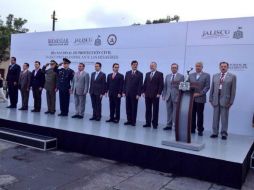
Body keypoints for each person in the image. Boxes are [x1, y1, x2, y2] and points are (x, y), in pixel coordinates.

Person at [209, 61, 236, 140]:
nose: (223, 68)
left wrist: (231, 102)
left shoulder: (232, 76)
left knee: (224, 118)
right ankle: (215, 133)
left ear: (227, 67)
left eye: (225, 66)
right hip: (215, 99)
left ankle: (224, 133)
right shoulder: (215, 76)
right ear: (219, 67)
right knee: (215, 118)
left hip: (225, 100)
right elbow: (212, 88)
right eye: (222, 66)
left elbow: (233, 90)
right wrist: (210, 99)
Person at [189, 62, 210, 136]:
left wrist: (200, 93)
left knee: (200, 115)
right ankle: (192, 129)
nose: (198, 67)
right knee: (192, 114)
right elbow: (188, 85)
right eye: (196, 66)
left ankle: (200, 130)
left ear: (202, 67)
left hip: (201, 98)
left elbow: (207, 87)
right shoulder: (191, 75)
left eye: (199, 66)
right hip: (192, 98)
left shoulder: (207, 75)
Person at [162, 63, 184, 130]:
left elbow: (182, 88)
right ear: (171, 68)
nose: (173, 69)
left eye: (175, 67)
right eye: (172, 67)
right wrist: (164, 95)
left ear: (177, 68)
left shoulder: (181, 76)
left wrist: (179, 96)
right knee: (169, 111)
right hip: (168, 96)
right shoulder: (168, 76)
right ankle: (169, 125)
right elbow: (165, 86)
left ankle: (176, 125)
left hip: (176, 97)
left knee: (175, 112)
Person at [142, 62, 164, 129]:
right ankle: (148, 123)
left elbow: (161, 85)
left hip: (155, 95)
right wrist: (143, 92)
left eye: (153, 66)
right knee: (148, 110)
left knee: (155, 110)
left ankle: (155, 124)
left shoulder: (160, 74)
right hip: (147, 95)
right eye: (150, 66)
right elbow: (145, 83)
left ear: (156, 66)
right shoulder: (147, 74)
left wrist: (159, 93)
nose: (151, 67)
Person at [123, 60, 143, 126]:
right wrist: (124, 92)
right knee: (128, 107)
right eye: (134, 64)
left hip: (135, 95)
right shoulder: (127, 73)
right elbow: (125, 83)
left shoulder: (140, 74)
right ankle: (129, 120)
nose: (135, 66)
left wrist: (138, 94)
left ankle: (133, 122)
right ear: (131, 65)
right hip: (127, 93)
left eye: (136, 65)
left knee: (134, 108)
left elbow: (140, 85)